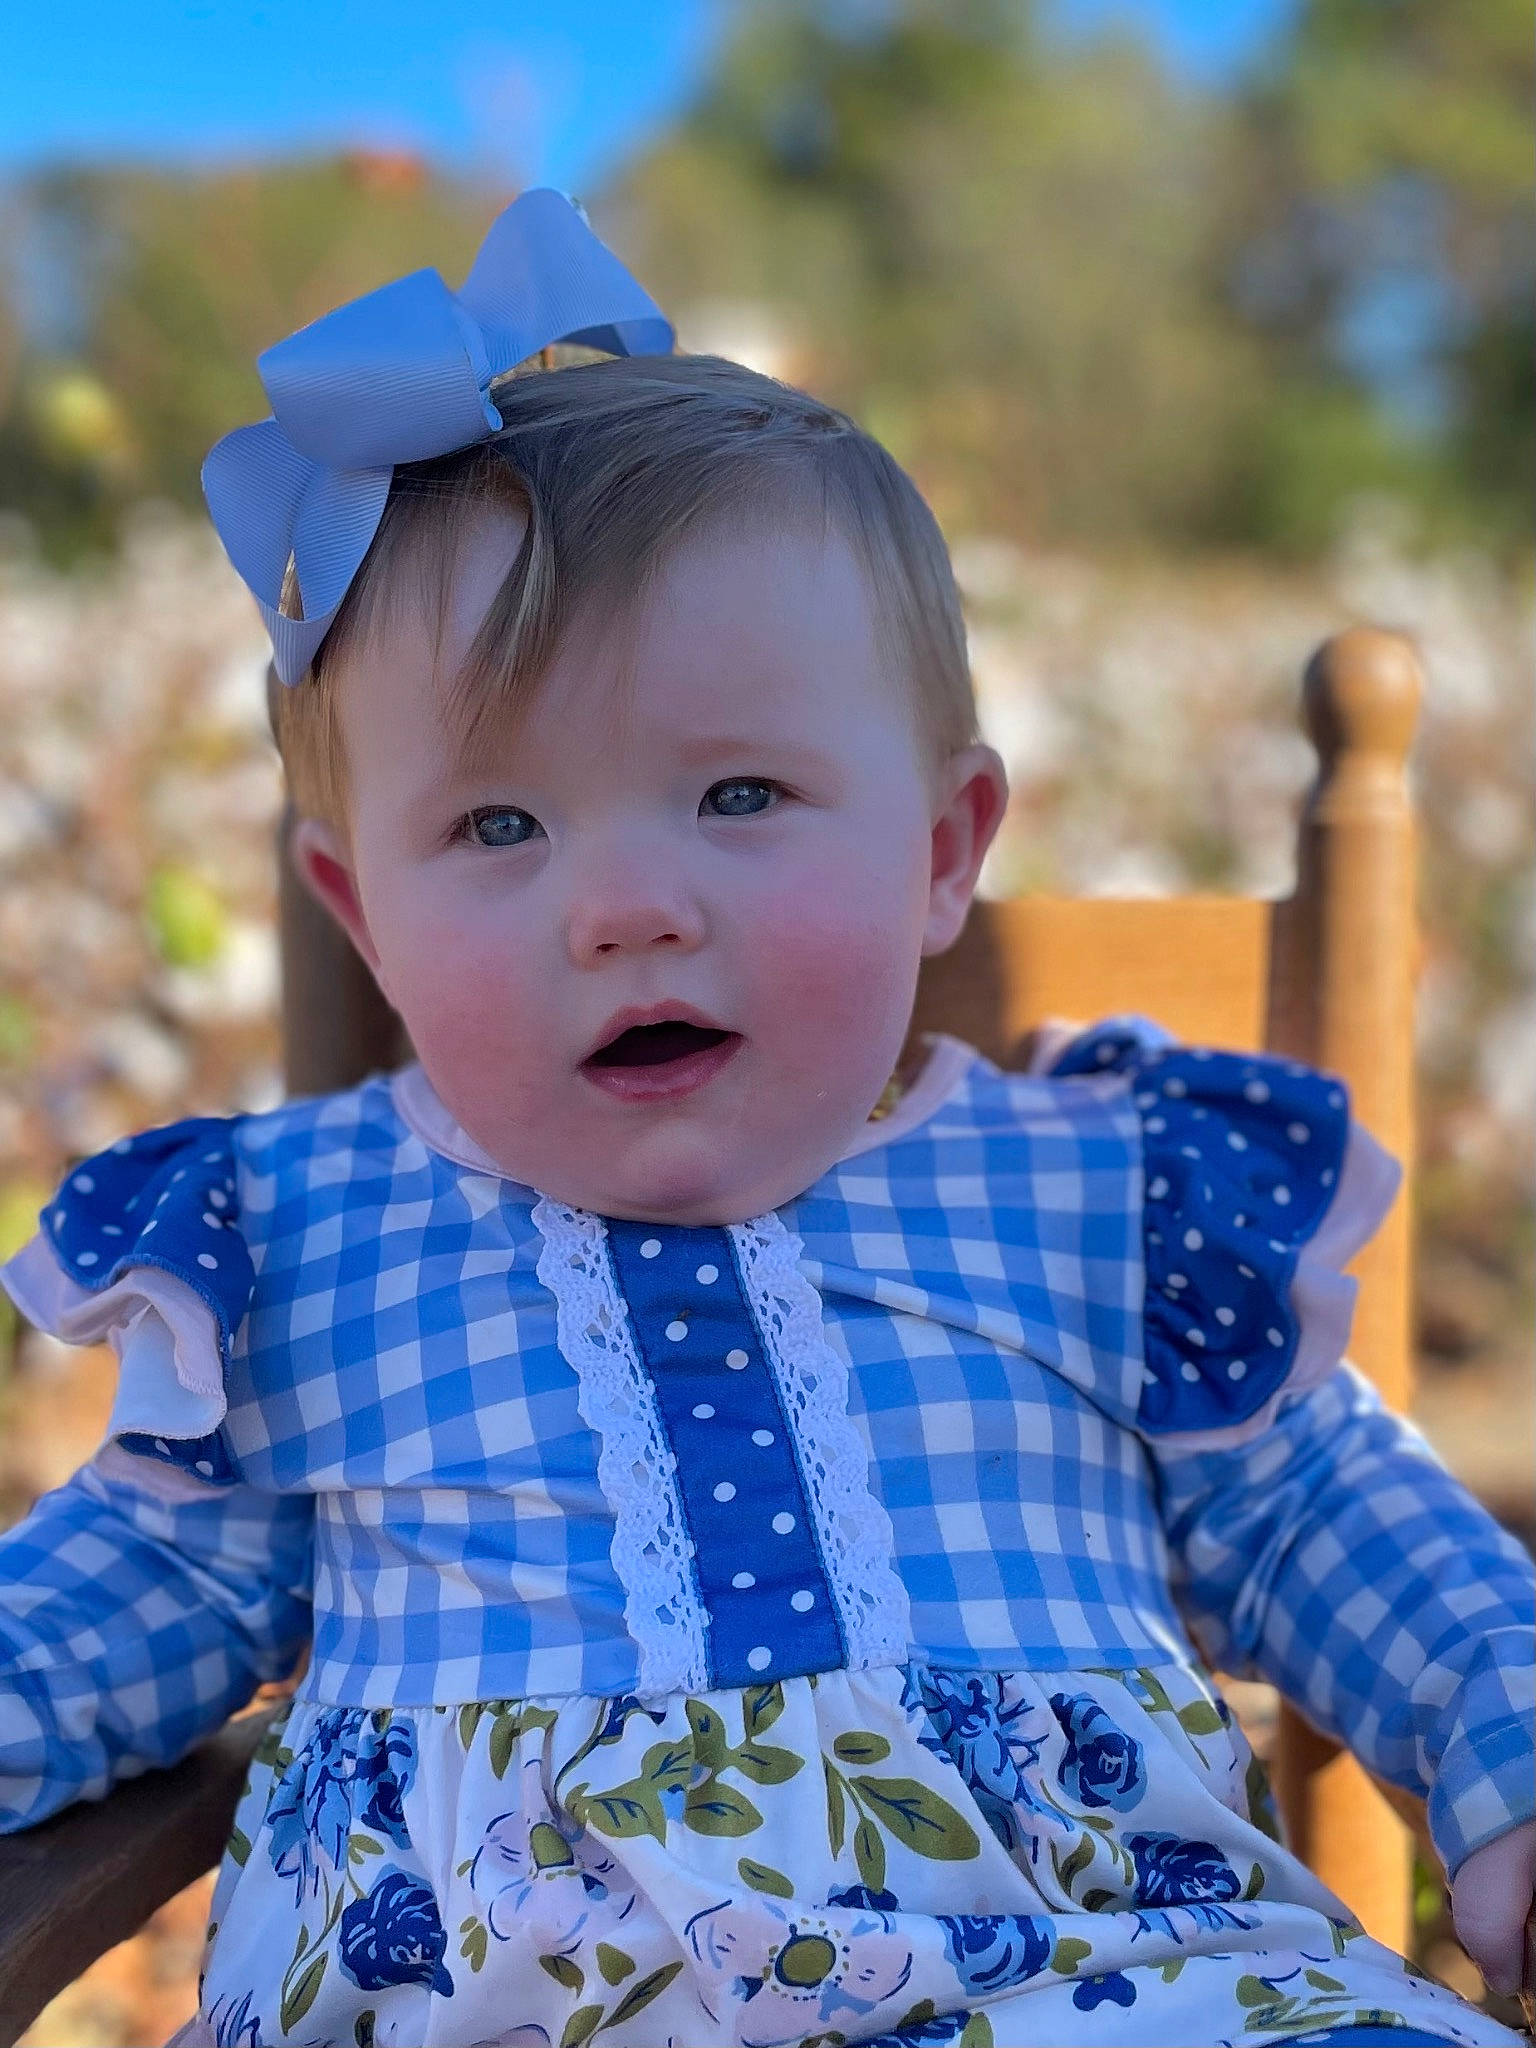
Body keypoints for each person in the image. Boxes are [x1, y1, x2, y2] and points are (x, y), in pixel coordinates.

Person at [0, 190, 1529, 2048]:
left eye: (737, 794)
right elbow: (109, 1608)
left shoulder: (1095, 1194)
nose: (626, 907)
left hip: (1113, 1992)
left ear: (944, 850)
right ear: (361, 917)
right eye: (497, 825)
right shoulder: (289, 1248)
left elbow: (1326, 1519)